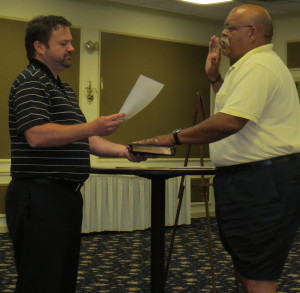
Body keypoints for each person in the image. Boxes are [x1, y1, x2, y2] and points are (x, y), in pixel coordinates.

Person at [134, 4, 300, 293]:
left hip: (263, 183)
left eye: (230, 28)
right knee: (247, 265)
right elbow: (235, 108)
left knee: (258, 272)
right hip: (249, 180)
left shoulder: (259, 66)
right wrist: (214, 77)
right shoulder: (246, 67)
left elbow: (230, 122)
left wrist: (171, 137)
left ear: (252, 33)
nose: (223, 34)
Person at [5, 15, 147, 293]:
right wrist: (91, 126)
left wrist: (125, 152)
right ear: (40, 47)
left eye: (71, 41)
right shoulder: (31, 81)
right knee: (41, 280)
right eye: (64, 42)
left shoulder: (63, 88)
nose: (72, 47)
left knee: (61, 277)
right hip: (39, 196)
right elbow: (36, 135)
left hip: (63, 197)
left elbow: (86, 139)